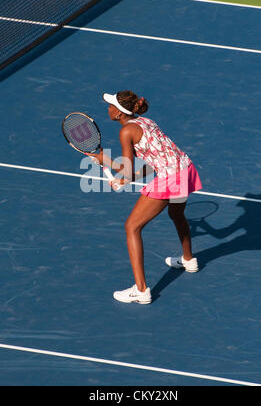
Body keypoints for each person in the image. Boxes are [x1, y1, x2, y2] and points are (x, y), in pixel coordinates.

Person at [87, 91, 203, 304]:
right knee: (176, 213)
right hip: (185, 169)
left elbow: (129, 169)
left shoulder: (126, 132)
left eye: (111, 105)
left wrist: (105, 160)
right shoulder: (146, 121)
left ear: (119, 113)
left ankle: (141, 291)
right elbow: (152, 162)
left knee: (132, 227)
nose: (108, 108)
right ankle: (189, 259)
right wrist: (124, 180)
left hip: (171, 177)